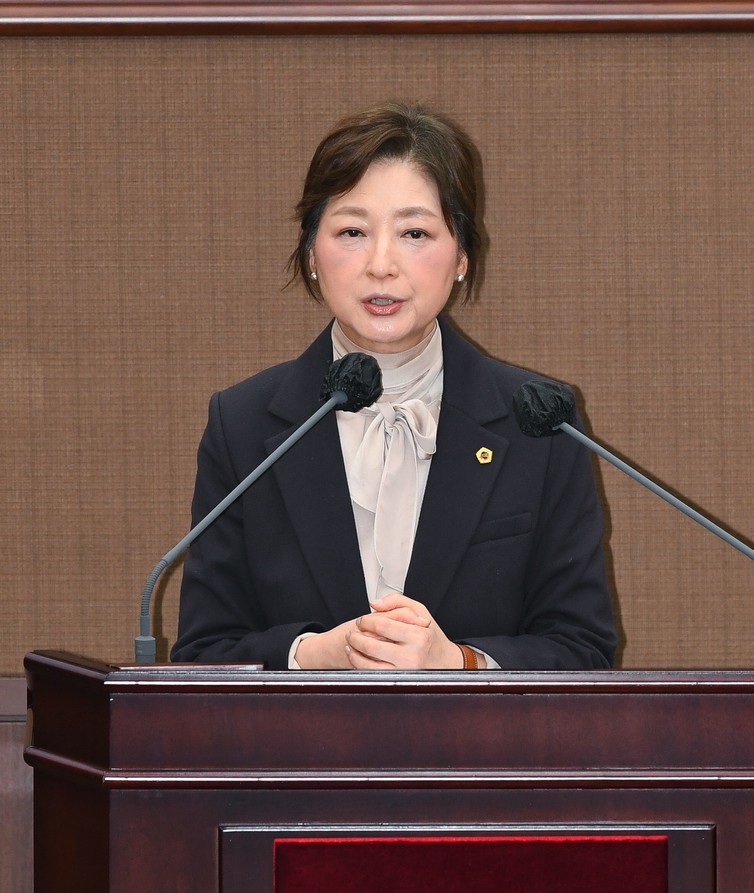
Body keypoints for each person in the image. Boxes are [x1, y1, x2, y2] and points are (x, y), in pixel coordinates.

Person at [171, 102, 616, 671]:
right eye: (353, 231)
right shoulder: (244, 424)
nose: (381, 264)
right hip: (302, 735)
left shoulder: (539, 422)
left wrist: (461, 664)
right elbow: (204, 653)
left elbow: (582, 651)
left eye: (414, 232)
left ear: (461, 254)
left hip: (479, 735)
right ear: (311, 252)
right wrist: (312, 657)